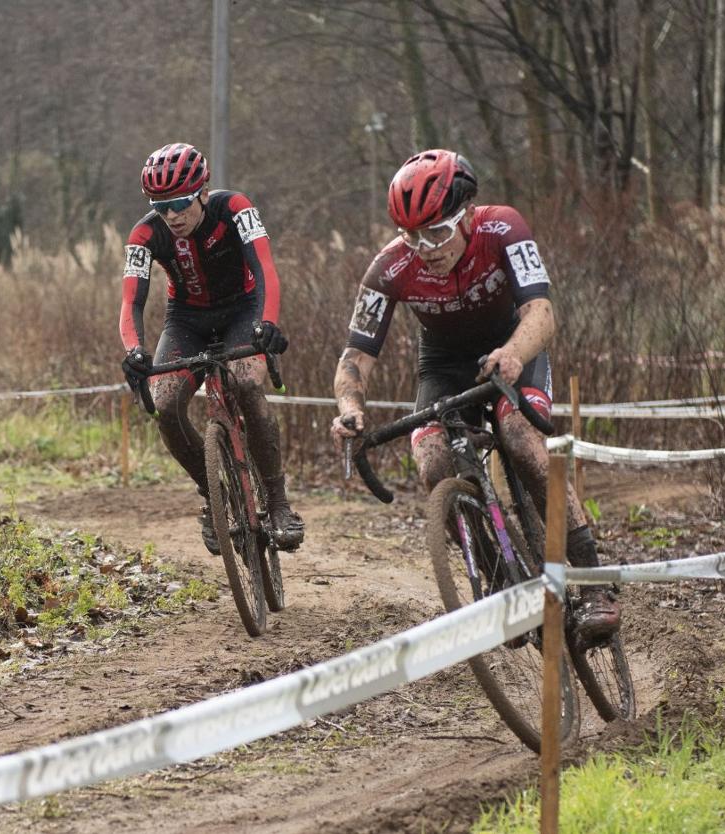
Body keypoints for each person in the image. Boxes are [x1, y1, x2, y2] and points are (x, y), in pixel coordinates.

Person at [329, 149, 619, 641]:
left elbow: (542, 313)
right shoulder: (390, 267)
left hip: (514, 343)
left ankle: (594, 583)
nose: (427, 248)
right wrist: (350, 408)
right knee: (433, 463)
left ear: (465, 216)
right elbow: (354, 356)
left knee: (519, 434)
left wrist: (511, 352)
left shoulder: (502, 227)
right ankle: (499, 576)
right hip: (443, 364)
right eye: (413, 236)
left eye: (438, 232)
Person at [119, 142, 304, 553]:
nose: (172, 215)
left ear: (203, 192)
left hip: (244, 307)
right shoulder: (144, 234)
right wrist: (134, 351)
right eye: (161, 205)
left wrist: (268, 324)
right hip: (187, 319)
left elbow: (265, 269)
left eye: (181, 202)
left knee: (247, 383)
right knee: (164, 404)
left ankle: (277, 503)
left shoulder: (235, 208)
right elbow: (131, 302)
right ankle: (214, 495)